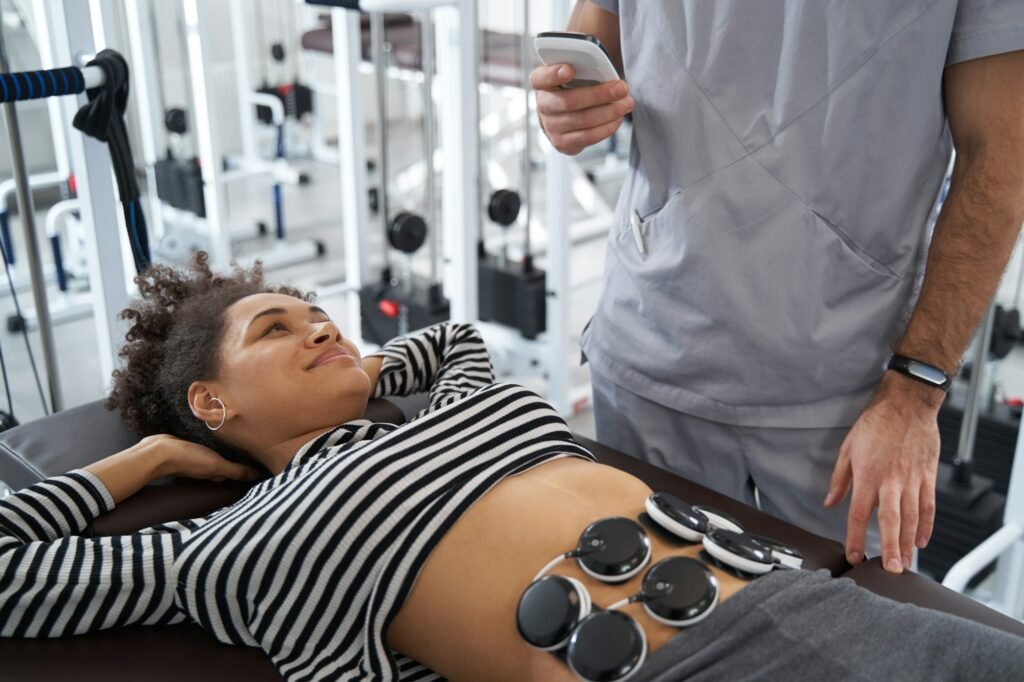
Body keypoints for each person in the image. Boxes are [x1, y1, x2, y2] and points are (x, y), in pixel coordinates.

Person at [1, 254, 1023, 682]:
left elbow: (448, 339)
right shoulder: (238, 541)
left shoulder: (458, 402)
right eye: (279, 328)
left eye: (321, 312)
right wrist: (140, 462)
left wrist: (354, 371)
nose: (321, 326)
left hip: (815, 607)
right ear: (212, 404)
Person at [531, 1, 1024, 574]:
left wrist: (918, 390)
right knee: (648, 640)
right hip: (651, 353)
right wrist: (565, 107)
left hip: (850, 399)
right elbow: (592, 40)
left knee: (841, 649)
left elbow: (1001, 158)